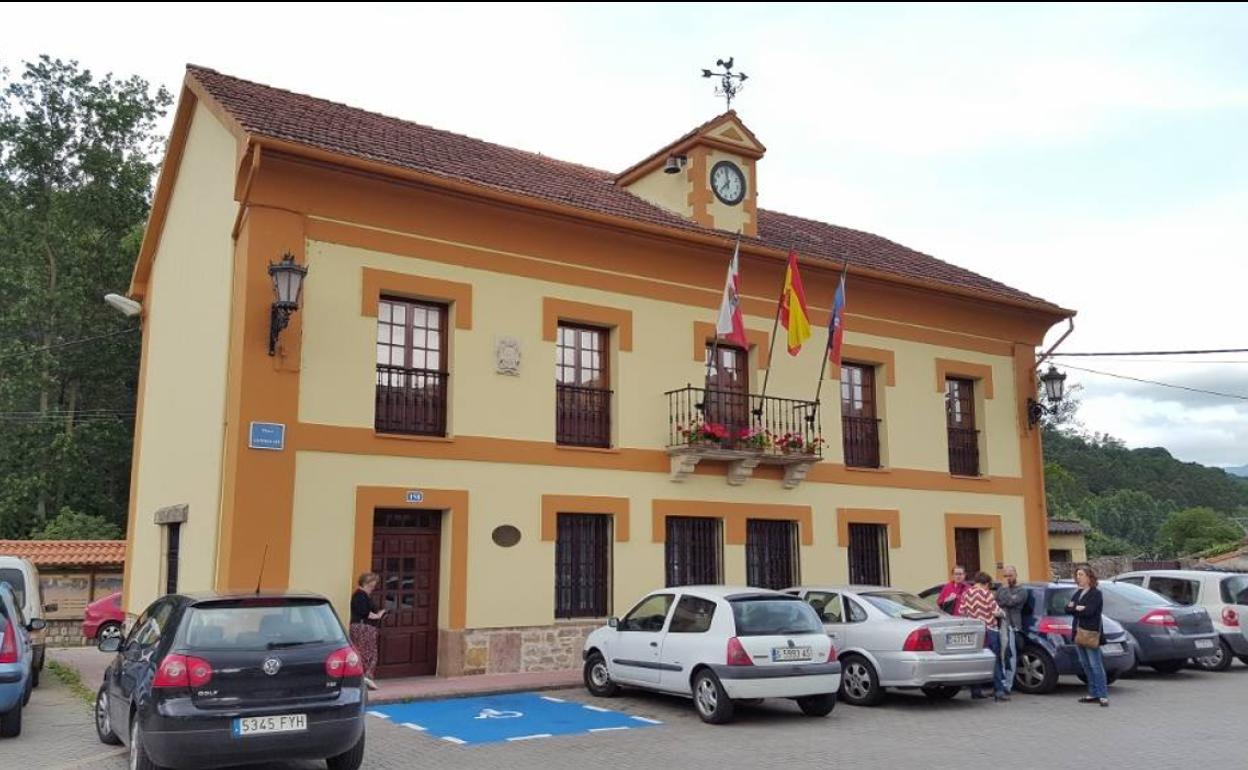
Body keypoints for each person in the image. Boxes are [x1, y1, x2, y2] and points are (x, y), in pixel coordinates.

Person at [1067, 564, 1109, 707]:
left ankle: (1103, 695)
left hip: (1090, 633)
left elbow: (1090, 611)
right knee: (1085, 665)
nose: (1078, 578)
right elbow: (1067, 608)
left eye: (1081, 575)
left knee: (1095, 664)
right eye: (1077, 575)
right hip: (1078, 633)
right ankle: (1092, 693)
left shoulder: (1096, 593)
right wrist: (1077, 608)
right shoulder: (1078, 593)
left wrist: (1077, 609)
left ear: (1089, 577)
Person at [961, 572, 1006, 701]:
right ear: (986, 583)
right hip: (989, 630)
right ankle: (999, 691)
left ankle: (976, 691)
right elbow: (996, 612)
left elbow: (962, 611)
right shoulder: (987, 594)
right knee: (994, 661)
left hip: (974, 631)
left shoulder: (966, 594)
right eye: (988, 585)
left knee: (976, 661)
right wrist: (1003, 614)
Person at [995, 565, 1029, 701]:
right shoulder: (1001, 589)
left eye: (1010, 575)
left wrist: (1004, 593)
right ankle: (1001, 683)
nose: (1008, 578)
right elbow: (997, 601)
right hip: (1001, 626)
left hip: (1013, 627)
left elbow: (1009, 602)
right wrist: (1005, 594)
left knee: (1010, 657)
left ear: (1016, 575)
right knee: (1001, 656)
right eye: (1006, 576)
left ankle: (1007, 685)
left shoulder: (1021, 590)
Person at [349, 572, 387, 691]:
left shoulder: (363, 595)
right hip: (363, 628)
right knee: (367, 653)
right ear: (365, 584)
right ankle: (364, 678)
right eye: (371, 586)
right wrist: (377, 616)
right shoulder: (360, 595)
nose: (373, 588)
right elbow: (364, 612)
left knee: (366, 653)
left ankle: (364, 679)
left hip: (363, 627)